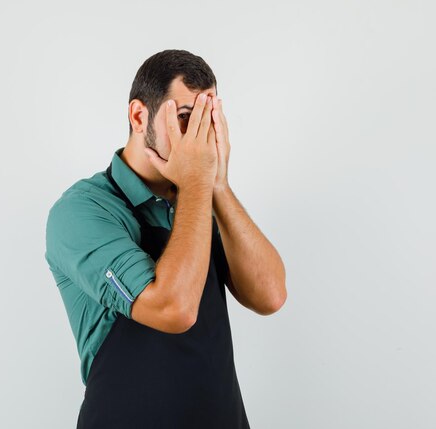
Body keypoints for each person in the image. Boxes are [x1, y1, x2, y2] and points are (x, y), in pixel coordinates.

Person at [44, 49, 287, 428]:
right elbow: (173, 310)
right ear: (139, 116)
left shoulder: (199, 197)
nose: (200, 140)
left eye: (210, 121)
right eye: (187, 119)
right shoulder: (83, 210)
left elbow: (270, 295)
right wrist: (196, 184)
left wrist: (216, 184)